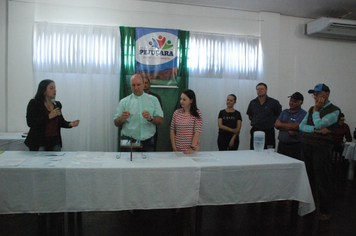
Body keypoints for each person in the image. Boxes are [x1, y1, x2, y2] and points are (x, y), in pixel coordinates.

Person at [299, 83, 340, 221]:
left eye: (318, 94)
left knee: (322, 179)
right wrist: (316, 130)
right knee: (307, 178)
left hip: (321, 148)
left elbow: (319, 123)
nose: (315, 97)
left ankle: (325, 210)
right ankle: (309, 207)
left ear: (327, 94)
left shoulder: (335, 111)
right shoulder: (311, 109)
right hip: (307, 145)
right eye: (314, 94)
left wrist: (316, 110)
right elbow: (302, 126)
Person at [25, 79, 80, 151]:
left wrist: (70, 124)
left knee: (56, 162)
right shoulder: (34, 103)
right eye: (51, 88)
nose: (55, 90)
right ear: (44, 91)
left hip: (54, 141)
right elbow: (31, 123)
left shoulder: (57, 104)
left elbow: (60, 122)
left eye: (55, 88)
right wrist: (48, 117)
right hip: (39, 142)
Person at [114, 74, 163, 152]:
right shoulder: (124, 102)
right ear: (130, 86)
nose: (136, 88)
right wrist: (121, 119)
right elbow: (116, 123)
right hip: (128, 140)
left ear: (143, 84)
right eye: (133, 85)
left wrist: (151, 118)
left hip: (148, 140)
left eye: (138, 84)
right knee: (127, 163)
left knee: (148, 163)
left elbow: (160, 120)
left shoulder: (154, 100)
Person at [246, 82, 282, 150]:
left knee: (269, 151)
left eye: (262, 89)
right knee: (254, 150)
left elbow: (278, 115)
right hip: (256, 131)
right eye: (258, 89)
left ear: (266, 90)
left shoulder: (274, 102)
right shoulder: (252, 102)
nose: (260, 90)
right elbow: (250, 116)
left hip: (268, 131)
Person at [275, 92, 307, 159]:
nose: (291, 103)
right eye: (290, 100)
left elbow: (296, 126)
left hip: (294, 147)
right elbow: (276, 125)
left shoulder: (303, 114)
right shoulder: (284, 112)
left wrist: (281, 126)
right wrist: (289, 128)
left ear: (301, 103)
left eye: (294, 101)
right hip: (281, 145)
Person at [170, 89, 203, 154]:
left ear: (191, 100)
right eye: (181, 99)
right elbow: (172, 130)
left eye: (184, 100)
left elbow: (197, 132)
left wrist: (192, 148)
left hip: (192, 149)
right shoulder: (177, 112)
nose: (181, 101)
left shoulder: (197, 113)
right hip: (178, 148)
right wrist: (174, 148)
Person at [143, 77, 163, 151]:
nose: (144, 84)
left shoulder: (155, 98)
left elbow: (160, 117)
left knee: (150, 158)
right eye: (143, 83)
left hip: (151, 133)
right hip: (136, 133)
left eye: (146, 83)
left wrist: (150, 117)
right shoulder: (133, 98)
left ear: (150, 85)